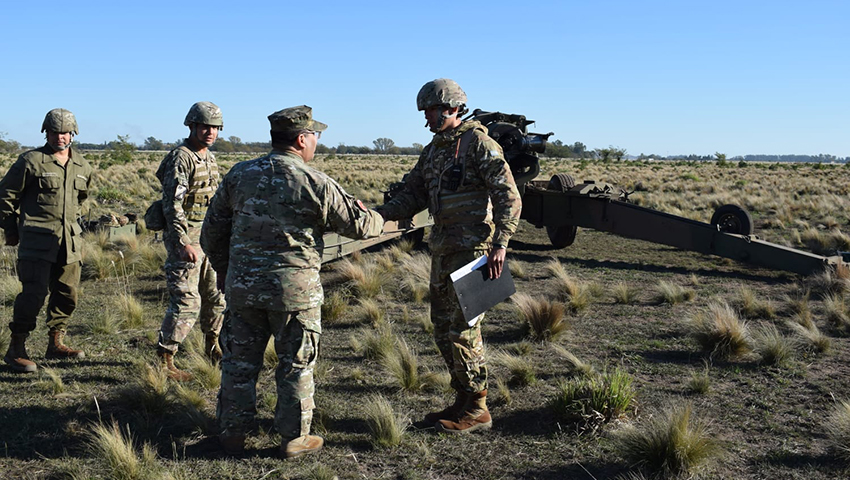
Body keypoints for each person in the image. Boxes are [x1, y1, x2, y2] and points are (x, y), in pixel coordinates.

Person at [201, 105, 384, 458]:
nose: (316, 141)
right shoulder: (315, 182)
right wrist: (374, 213)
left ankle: (233, 433)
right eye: (315, 135)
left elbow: (211, 232)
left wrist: (227, 269)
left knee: (238, 365)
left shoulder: (239, 175)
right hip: (295, 295)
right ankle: (294, 439)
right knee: (295, 367)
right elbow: (363, 228)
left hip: (243, 291)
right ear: (302, 139)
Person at [376, 79, 522, 433]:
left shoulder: (479, 144)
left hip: (475, 251)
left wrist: (501, 243)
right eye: (425, 112)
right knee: (443, 329)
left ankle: (478, 407)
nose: (426, 119)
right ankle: (463, 398)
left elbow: (508, 196)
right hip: (443, 248)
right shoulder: (434, 150)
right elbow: (412, 194)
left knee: (464, 329)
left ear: (452, 108)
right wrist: (376, 216)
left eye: (430, 111)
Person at [0, 108, 92, 373]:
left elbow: (81, 200)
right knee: (33, 295)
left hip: (69, 243)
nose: (60, 137)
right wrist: (11, 229)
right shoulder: (31, 161)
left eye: (65, 132)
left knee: (68, 294)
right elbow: (4, 197)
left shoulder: (82, 165)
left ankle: (56, 343)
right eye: (54, 132)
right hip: (37, 242)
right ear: (46, 132)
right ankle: (16, 349)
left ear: (73, 133)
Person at [155, 101, 226, 381]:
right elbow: (172, 204)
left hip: (208, 237)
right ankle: (165, 358)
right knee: (187, 299)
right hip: (186, 238)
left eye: (215, 128)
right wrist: (182, 241)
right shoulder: (181, 157)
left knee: (215, 295)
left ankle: (213, 345)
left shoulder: (208, 157)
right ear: (192, 126)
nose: (210, 132)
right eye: (205, 126)